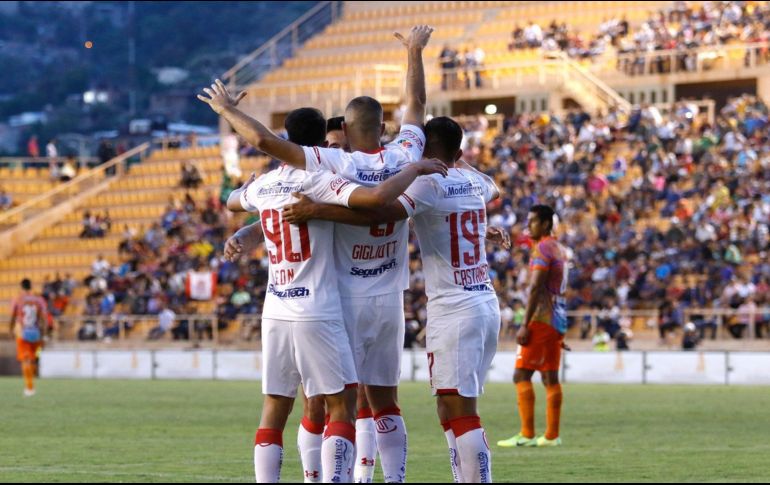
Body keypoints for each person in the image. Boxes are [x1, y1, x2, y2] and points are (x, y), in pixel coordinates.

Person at [206, 25, 434, 483]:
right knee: (377, 399)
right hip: (388, 295)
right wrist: (413, 52)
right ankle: (388, 478)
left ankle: (319, 477)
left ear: (344, 132)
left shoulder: (331, 166)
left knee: (317, 402)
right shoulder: (405, 151)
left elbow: (261, 156)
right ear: (384, 128)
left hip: (332, 297)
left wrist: (229, 110)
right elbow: (417, 109)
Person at [283, 116, 508, 483]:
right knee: (448, 406)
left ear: (425, 150)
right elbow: (492, 190)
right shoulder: (473, 181)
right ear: (459, 152)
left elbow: (381, 212)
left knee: (462, 410)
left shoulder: (428, 184)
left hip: (454, 309)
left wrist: (318, 210)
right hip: (484, 302)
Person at [498, 204, 569, 448]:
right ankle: (551, 436)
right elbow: (559, 289)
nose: (529, 227)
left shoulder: (542, 250)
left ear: (546, 224)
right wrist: (560, 327)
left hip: (540, 320)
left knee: (521, 374)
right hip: (556, 320)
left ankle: (527, 434)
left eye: (533, 222)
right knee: (550, 377)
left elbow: (537, 289)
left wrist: (524, 324)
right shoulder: (559, 249)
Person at [9, 279, 49, 397]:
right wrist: (44, 334)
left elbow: (13, 316)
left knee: (25, 359)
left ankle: (29, 387)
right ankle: (33, 376)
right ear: (31, 287)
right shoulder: (39, 299)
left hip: (23, 333)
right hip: (36, 334)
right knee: (34, 358)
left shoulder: (18, 299)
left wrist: (10, 329)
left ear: (21, 287)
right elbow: (44, 318)